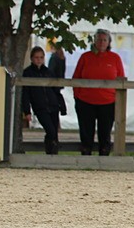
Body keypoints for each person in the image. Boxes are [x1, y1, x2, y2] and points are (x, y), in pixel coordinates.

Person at [72, 28, 125, 156]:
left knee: (105, 132)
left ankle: (104, 157)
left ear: (109, 42)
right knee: (86, 132)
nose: (101, 42)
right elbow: (76, 78)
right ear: (94, 41)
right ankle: (86, 156)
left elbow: (121, 79)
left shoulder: (115, 58)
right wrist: (77, 96)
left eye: (104, 40)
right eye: (99, 39)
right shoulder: (85, 57)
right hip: (85, 101)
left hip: (108, 102)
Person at [22, 46, 66, 154]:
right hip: (40, 107)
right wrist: (27, 111)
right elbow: (25, 94)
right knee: (50, 130)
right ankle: (50, 150)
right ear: (32, 58)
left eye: (41, 57)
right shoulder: (27, 73)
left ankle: (52, 154)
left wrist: (62, 106)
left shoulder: (49, 72)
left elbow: (56, 91)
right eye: (36, 57)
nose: (39, 60)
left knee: (54, 132)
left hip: (53, 105)